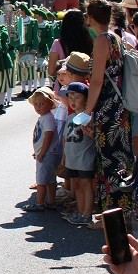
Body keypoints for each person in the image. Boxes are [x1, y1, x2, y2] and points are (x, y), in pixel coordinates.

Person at [83, 0, 132, 222]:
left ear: (90, 17)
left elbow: (97, 81)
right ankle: (118, 212)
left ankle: (112, 216)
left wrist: (87, 112)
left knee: (108, 162)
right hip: (118, 107)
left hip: (107, 107)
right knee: (118, 159)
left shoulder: (102, 40)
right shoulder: (116, 38)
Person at [59, 82, 97, 226]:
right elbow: (65, 139)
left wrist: (92, 133)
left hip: (85, 157)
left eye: (77, 97)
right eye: (70, 98)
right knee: (77, 186)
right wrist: (63, 156)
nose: (73, 101)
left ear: (86, 99)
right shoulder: (69, 118)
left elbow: (95, 137)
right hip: (72, 157)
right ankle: (80, 212)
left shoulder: (89, 117)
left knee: (86, 184)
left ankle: (87, 214)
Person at [25, 87, 61, 211]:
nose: (38, 106)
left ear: (50, 104)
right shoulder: (44, 118)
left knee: (41, 180)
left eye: (42, 104)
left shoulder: (48, 119)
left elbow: (48, 136)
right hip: (46, 153)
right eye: (36, 104)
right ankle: (51, 201)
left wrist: (42, 152)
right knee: (50, 179)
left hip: (47, 154)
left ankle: (40, 203)